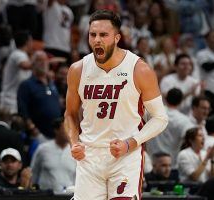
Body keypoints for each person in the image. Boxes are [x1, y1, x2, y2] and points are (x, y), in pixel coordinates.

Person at [64, 10, 168, 200]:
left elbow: (160, 119)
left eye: (103, 35)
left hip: (125, 156)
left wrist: (130, 143)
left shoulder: (139, 69)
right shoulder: (78, 70)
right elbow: (70, 114)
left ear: (117, 37)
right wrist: (74, 142)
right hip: (90, 156)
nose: (97, 40)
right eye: (93, 34)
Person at [30, 117, 76, 193]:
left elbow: (77, 178)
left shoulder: (75, 151)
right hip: (46, 196)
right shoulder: (43, 149)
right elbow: (33, 174)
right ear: (56, 130)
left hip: (68, 197)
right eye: (65, 128)